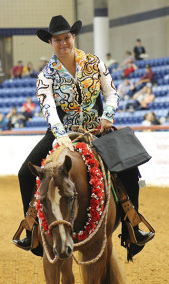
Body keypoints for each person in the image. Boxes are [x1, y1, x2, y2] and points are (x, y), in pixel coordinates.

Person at [14, 15, 154, 253]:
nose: (62, 43)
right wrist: (60, 134)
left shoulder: (95, 62)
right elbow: (48, 107)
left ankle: (132, 224)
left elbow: (111, 93)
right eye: (57, 40)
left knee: (130, 168)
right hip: (62, 133)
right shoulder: (45, 75)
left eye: (66, 38)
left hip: (98, 128)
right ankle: (33, 230)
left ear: (74, 37)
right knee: (24, 174)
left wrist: (107, 115)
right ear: (50, 42)